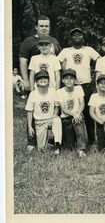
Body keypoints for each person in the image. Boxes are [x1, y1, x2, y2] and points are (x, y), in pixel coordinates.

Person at [19, 15, 62, 152]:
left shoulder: (54, 41)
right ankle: (32, 140)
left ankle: (56, 140)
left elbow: (59, 66)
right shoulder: (28, 42)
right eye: (41, 25)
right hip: (36, 86)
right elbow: (23, 61)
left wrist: (58, 89)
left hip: (52, 87)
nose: (44, 28)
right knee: (34, 112)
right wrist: (27, 82)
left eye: (46, 26)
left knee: (54, 114)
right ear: (36, 27)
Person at [58, 28, 100, 147]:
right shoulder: (66, 51)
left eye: (79, 35)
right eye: (74, 35)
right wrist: (64, 69)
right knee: (71, 112)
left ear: (83, 37)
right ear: (70, 38)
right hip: (72, 86)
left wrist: (94, 74)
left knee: (87, 113)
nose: (77, 37)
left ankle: (92, 140)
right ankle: (72, 139)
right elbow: (57, 62)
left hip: (86, 85)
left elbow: (99, 60)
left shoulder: (88, 50)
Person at [24, 70, 62, 154]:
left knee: (57, 120)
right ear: (36, 82)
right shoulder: (33, 94)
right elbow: (29, 111)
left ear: (49, 81)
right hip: (39, 122)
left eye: (45, 78)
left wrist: (55, 114)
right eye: (40, 78)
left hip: (50, 120)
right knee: (42, 150)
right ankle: (47, 141)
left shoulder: (53, 91)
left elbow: (57, 105)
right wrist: (30, 127)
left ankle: (57, 144)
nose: (43, 80)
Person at [55, 69, 87, 158]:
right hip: (66, 118)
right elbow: (63, 109)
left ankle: (81, 149)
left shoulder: (79, 88)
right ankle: (63, 139)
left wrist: (77, 114)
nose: (69, 80)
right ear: (63, 80)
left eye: (71, 78)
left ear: (75, 80)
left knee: (79, 124)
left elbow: (82, 104)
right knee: (70, 147)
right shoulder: (59, 92)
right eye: (66, 78)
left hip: (77, 115)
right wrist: (73, 114)